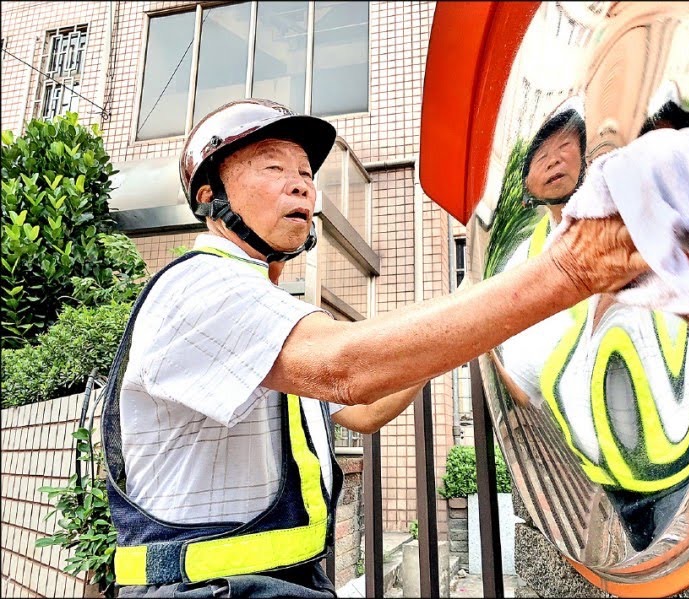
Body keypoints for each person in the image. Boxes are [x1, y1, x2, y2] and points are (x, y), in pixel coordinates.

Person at [102, 98, 648, 598]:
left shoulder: (262, 315)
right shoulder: (198, 286)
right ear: (209, 196)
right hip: (203, 590)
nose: (301, 186)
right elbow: (347, 368)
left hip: (269, 584)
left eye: (305, 174)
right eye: (273, 168)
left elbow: (364, 408)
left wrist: (477, 311)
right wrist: (572, 268)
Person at [497, 99, 689, 551]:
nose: (555, 159)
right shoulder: (521, 266)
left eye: (566, 145)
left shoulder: (636, 218)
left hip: (686, 472)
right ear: (525, 185)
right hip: (602, 491)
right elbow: (521, 385)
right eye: (540, 155)